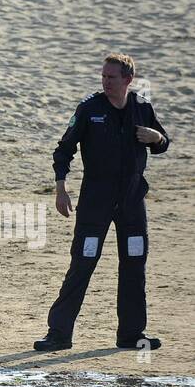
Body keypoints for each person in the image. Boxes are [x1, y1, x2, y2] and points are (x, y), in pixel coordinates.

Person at [35, 53, 171, 352]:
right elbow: (63, 151)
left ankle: (131, 335)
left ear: (128, 80)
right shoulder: (89, 109)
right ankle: (58, 335)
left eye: (112, 77)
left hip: (132, 203)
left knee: (134, 267)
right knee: (82, 264)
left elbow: (163, 143)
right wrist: (61, 188)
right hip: (96, 202)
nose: (106, 82)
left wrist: (156, 138)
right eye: (103, 77)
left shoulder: (142, 108)